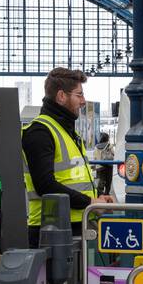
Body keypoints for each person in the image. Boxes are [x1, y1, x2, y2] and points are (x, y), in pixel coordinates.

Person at [21, 68, 111, 247]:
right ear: (61, 96)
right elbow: (45, 185)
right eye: (79, 95)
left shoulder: (67, 131)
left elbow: (73, 178)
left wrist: (99, 197)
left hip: (75, 225)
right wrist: (91, 203)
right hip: (51, 229)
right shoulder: (40, 132)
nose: (83, 101)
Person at [92, 131, 114, 197]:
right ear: (107, 138)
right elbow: (113, 154)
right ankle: (107, 194)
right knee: (108, 181)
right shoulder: (109, 145)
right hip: (108, 165)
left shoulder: (96, 147)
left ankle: (100, 194)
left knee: (100, 181)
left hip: (99, 166)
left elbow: (95, 157)